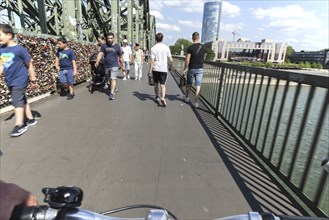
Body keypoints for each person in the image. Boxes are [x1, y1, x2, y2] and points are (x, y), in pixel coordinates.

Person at [0, 24, 38, 137]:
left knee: (16, 101)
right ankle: (31, 120)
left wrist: (33, 80)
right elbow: (1, 64)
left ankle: (19, 125)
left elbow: (29, 65)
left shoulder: (19, 49)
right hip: (9, 80)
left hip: (20, 79)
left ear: (9, 35)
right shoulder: (1, 50)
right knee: (22, 99)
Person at [95, 32, 124, 100]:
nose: (109, 40)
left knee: (113, 78)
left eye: (111, 38)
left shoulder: (117, 46)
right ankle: (113, 88)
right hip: (106, 65)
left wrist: (123, 66)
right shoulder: (104, 46)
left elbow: (120, 56)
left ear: (113, 38)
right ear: (106, 39)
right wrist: (97, 61)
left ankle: (111, 93)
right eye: (108, 38)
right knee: (108, 79)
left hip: (114, 65)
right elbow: (100, 54)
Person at [148, 33, 173, 107]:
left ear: (156, 39)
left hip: (155, 68)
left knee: (156, 84)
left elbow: (152, 60)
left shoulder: (153, 48)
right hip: (163, 69)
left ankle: (156, 96)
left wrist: (149, 70)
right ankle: (163, 97)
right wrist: (170, 66)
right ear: (162, 39)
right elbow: (171, 60)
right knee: (163, 85)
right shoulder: (166, 48)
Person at [182, 32, 206, 108]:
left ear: (192, 38)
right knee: (198, 85)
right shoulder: (203, 47)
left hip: (192, 68)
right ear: (198, 38)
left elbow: (187, 60)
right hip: (200, 68)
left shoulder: (190, 48)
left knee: (189, 84)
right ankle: (196, 102)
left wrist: (185, 68)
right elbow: (204, 58)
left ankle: (186, 97)